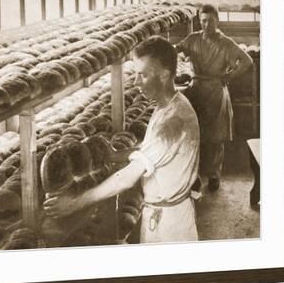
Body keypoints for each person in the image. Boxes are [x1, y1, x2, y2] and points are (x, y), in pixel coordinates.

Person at [43, 36, 200, 244]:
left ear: (163, 76)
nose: (135, 83)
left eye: (142, 75)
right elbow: (149, 151)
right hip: (163, 213)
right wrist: (114, 155)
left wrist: (74, 204)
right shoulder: (168, 106)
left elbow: (127, 178)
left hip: (171, 227)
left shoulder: (172, 123)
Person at [176, 4, 253, 192]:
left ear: (217, 21)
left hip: (216, 91)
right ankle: (193, 176)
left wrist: (229, 76)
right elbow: (176, 49)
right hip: (196, 89)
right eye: (203, 20)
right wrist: (180, 64)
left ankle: (214, 175)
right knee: (195, 133)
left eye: (210, 20)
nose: (206, 24)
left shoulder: (226, 43)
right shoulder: (193, 39)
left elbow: (247, 61)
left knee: (216, 136)